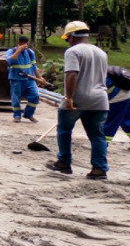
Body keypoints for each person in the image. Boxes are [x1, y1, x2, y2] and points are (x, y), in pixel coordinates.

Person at [47, 21, 110, 180]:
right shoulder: (101, 53)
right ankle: (99, 168)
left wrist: (69, 97)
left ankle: (64, 162)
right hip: (100, 99)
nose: (67, 41)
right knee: (97, 136)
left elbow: (71, 74)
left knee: (64, 130)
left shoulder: (73, 51)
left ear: (72, 37)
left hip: (79, 97)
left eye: (67, 38)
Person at [5, 35, 46, 123]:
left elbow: (34, 66)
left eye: (26, 44)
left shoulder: (30, 53)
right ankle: (17, 115)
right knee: (16, 98)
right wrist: (18, 50)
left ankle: (28, 114)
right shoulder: (11, 51)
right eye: (22, 45)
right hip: (16, 79)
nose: (25, 46)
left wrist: (40, 77)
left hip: (29, 79)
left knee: (35, 95)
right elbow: (10, 61)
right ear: (18, 44)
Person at [104, 67, 130, 151]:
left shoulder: (94, 74)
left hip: (117, 98)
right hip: (128, 93)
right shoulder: (102, 68)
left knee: (110, 121)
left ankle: (102, 145)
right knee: (128, 118)